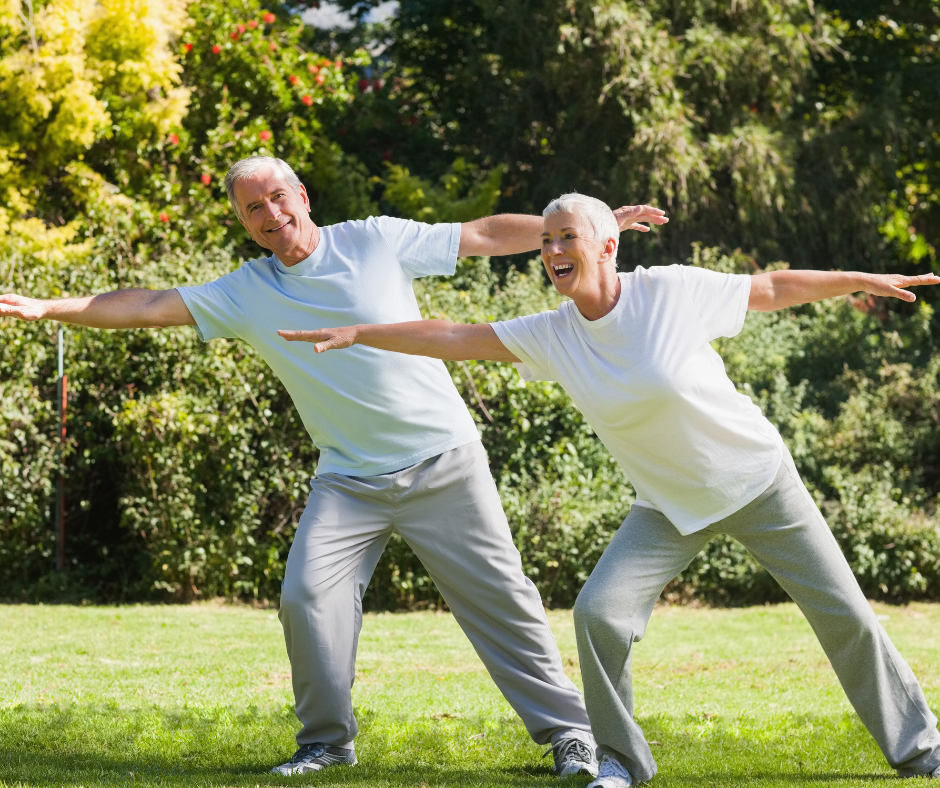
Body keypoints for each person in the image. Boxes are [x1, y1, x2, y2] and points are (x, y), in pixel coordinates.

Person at [0, 160, 670, 778]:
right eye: (253, 207)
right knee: (306, 597)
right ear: (244, 222)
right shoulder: (246, 291)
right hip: (348, 478)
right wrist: (47, 307)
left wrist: (588, 225)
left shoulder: (374, 239)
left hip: (442, 460)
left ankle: (569, 736)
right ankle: (325, 742)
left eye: (278, 197)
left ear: (302, 198)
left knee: (504, 601)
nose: (270, 213)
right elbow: (147, 304)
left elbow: (480, 233)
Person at [279, 192, 940, 787]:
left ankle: (919, 749)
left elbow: (769, 288)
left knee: (846, 616)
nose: (553, 250)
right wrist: (364, 332)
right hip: (667, 508)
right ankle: (619, 759)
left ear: (607, 245)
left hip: (757, 481)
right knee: (600, 613)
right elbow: (456, 336)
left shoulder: (669, 292)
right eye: (544, 241)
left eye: (566, 236)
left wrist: (858, 280)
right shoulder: (552, 335)